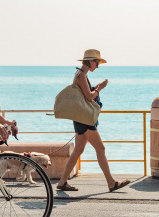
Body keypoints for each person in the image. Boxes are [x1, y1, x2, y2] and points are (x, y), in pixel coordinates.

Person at [57, 49, 130, 192]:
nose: (98, 66)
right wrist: (99, 88)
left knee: (78, 150)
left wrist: (95, 89)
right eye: (97, 62)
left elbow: (85, 96)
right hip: (84, 120)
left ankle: (62, 182)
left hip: (79, 118)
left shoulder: (80, 74)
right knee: (101, 148)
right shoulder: (82, 75)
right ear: (91, 61)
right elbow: (89, 97)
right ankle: (111, 183)